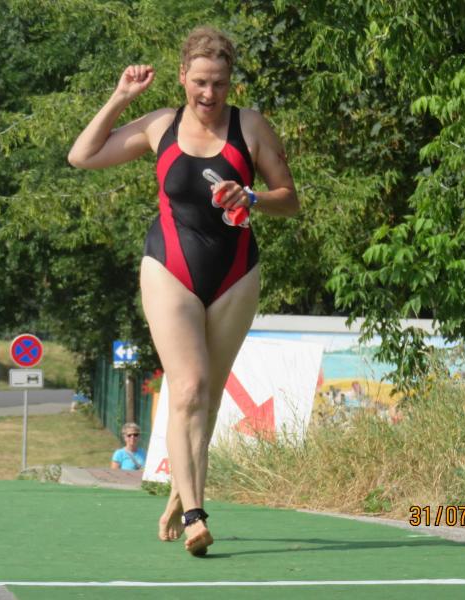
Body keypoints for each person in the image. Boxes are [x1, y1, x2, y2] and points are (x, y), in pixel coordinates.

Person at [68, 26, 299, 556]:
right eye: (199, 82)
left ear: (230, 81)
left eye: (219, 83)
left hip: (235, 273)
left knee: (207, 399)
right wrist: (121, 97)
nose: (209, 93)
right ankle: (196, 514)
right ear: (182, 77)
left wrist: (254, 197)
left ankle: (180, 490)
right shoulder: (160, 126)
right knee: (188, 387)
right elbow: (82, 156)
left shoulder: (251, 127)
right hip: (169, 267)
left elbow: (290, 199)